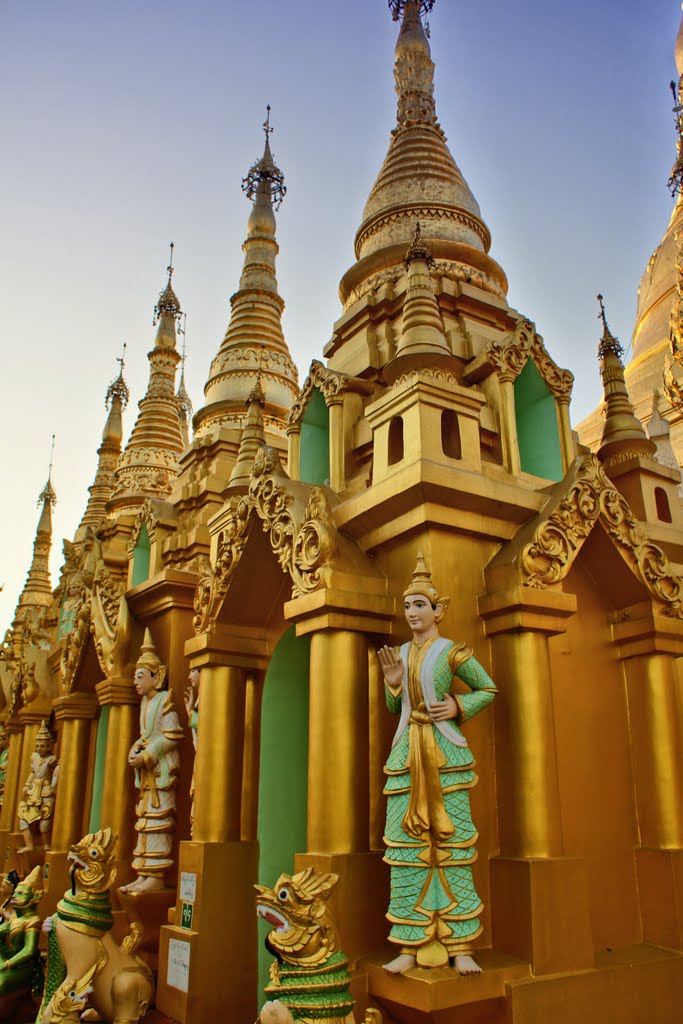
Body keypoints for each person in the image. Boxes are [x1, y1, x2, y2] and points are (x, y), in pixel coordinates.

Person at [378, 553, 496, 975]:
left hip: (446, 754)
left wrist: (458, 705)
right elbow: (398, 705)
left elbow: (488, 688)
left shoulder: (453, 652)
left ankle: (460, 942)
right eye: (408, 606)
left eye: (420, 605)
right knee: (407, 850)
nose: (412, 613)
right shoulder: (401, 653)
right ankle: (410, 944)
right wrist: (393, 686)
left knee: (454, 847)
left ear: (438, 610)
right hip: (407, 752)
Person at [120, 630, 183, 894]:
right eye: (135, 677)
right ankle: (143, 871)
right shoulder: (145, 704)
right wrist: (136, 749)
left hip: (160, 773)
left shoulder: (163, 701)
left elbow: (172, 734)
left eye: (140, 676)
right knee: (144, 822)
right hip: (148, 776)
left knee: (159, 821)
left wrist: (148, 754)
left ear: (156, 677)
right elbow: (146, 736)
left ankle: (156, 874)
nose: (136, 682)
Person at [17, 721, 59, 853]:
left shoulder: (52, 759)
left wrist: (54, 787)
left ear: (49, 746)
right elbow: (33, 772)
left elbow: (55, 775)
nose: (40, 748)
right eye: (38, 746)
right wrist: (27, 785)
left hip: (46, 790)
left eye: (43, 746)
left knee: (45, 820)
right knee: (23, 818)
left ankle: (46, 844)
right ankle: (29, 845)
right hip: (33, 791)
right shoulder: (34, 757)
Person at [184, 666, 200, 833]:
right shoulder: (199, 699)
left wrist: (191, 713)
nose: (189, 676)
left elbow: (207, 721)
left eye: (193, 670)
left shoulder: (210, 694)